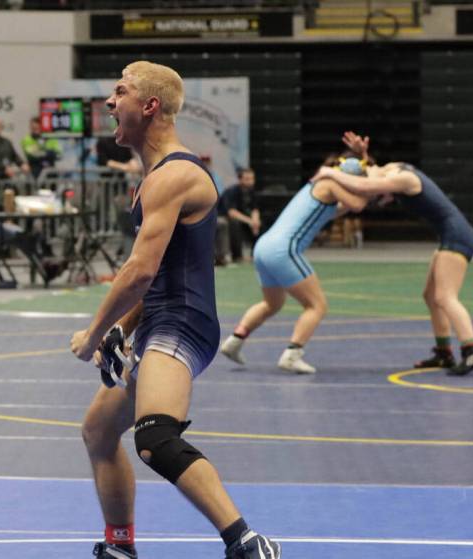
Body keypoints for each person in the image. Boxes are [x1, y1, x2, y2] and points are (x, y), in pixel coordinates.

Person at [69, 61, 281, 559]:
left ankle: (249, 543)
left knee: (156, 438)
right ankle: (120, 546)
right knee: (99, 431)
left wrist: (93, 332)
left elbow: (139, 270)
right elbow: (162, 271)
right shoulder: (155, 176)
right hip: (159, 318)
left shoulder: (174, 176)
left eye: (119, 91)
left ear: (149, 106)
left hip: (181, 324)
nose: (108, 101)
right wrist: (121, 330)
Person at [313, 131, 473, 375]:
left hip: (457, 235)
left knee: (445, 296)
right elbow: (370, 178)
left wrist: (330, 173)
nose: (376, 198)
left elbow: (366, 184)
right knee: (430, 295)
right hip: (452, 234)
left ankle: (472, 351)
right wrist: (361, 156)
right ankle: (444, 353)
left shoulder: (403, 178)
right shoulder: (391, 168)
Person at [220, 156, 370, 374]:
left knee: (272, 303)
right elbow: (357, 205)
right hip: (283, 250)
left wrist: (363, 160)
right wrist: (372, 188)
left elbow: (339, 209)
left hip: (264, 247)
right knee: (317, 306)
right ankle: (292, 354)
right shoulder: (330, 184)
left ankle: (234, 341)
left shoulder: (320, 186)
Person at [219, 167, 261, 263]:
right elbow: (232, 212)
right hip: (225, 217)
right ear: (240, 179)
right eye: (247, 179)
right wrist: (250, 221)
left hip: (243, 218)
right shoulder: (231, 191)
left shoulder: (252, 191)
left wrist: (255, 221)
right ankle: (237, 256)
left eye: (252, 179)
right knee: (235, 223)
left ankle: (255, 254)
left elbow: (255, 209)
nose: (250, 181)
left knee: (259, 223)